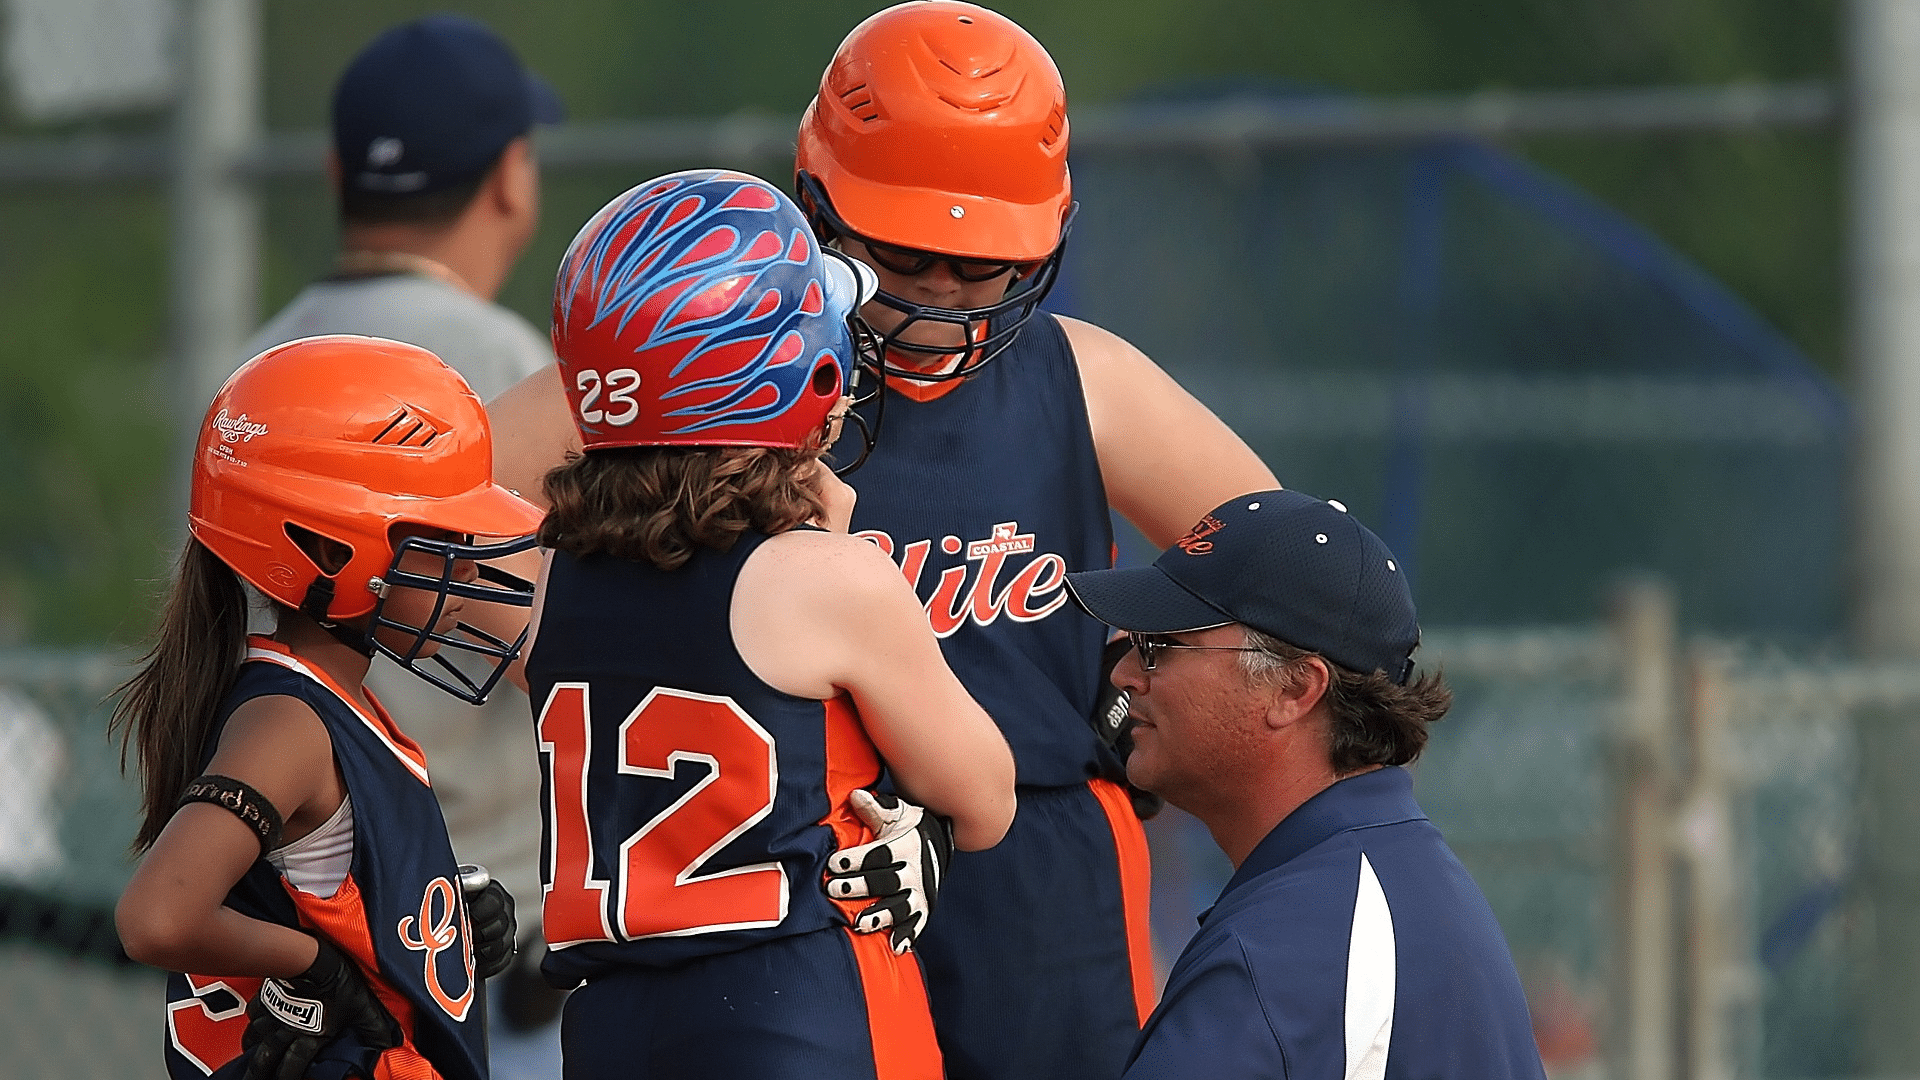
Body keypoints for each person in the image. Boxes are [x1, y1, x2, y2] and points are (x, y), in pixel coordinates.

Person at [484, 6, 1278, 1076]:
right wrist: (596, 638)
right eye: (905, 255)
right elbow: (426, 512)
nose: (942, 297)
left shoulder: (1078, 377)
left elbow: (1281, 558)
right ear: (819, 206)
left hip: (1034, 868)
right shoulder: (699, 358)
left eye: (982, 265)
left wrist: (1147, 686)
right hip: (795, 872)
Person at [524, 169, 1016, 1080]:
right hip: (792, 1012)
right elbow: (985, 798)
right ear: (802, 369)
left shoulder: (548, 578)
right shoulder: (830, 577)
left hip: (610, 1027)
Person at [240, 12, 570, 1041]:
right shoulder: (509, 363)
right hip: (480, 933)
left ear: (342, 179)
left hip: (300, 915)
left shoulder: (257, 368)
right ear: (510, 176)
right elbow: (555, 635)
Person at [112, 336, 546, 1080]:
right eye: (444, 537)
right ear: (326, 547)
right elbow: (159, 917)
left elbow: (322, 893)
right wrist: (316, 969)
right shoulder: (289, 722)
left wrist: (432, 928)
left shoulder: (335, 705)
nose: (470, 566)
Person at [1063, 489, 1548, 1079]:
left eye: (1160, 646)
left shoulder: (1290, 948)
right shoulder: (1390, 873)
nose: (1124, 673)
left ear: (1294, 690)